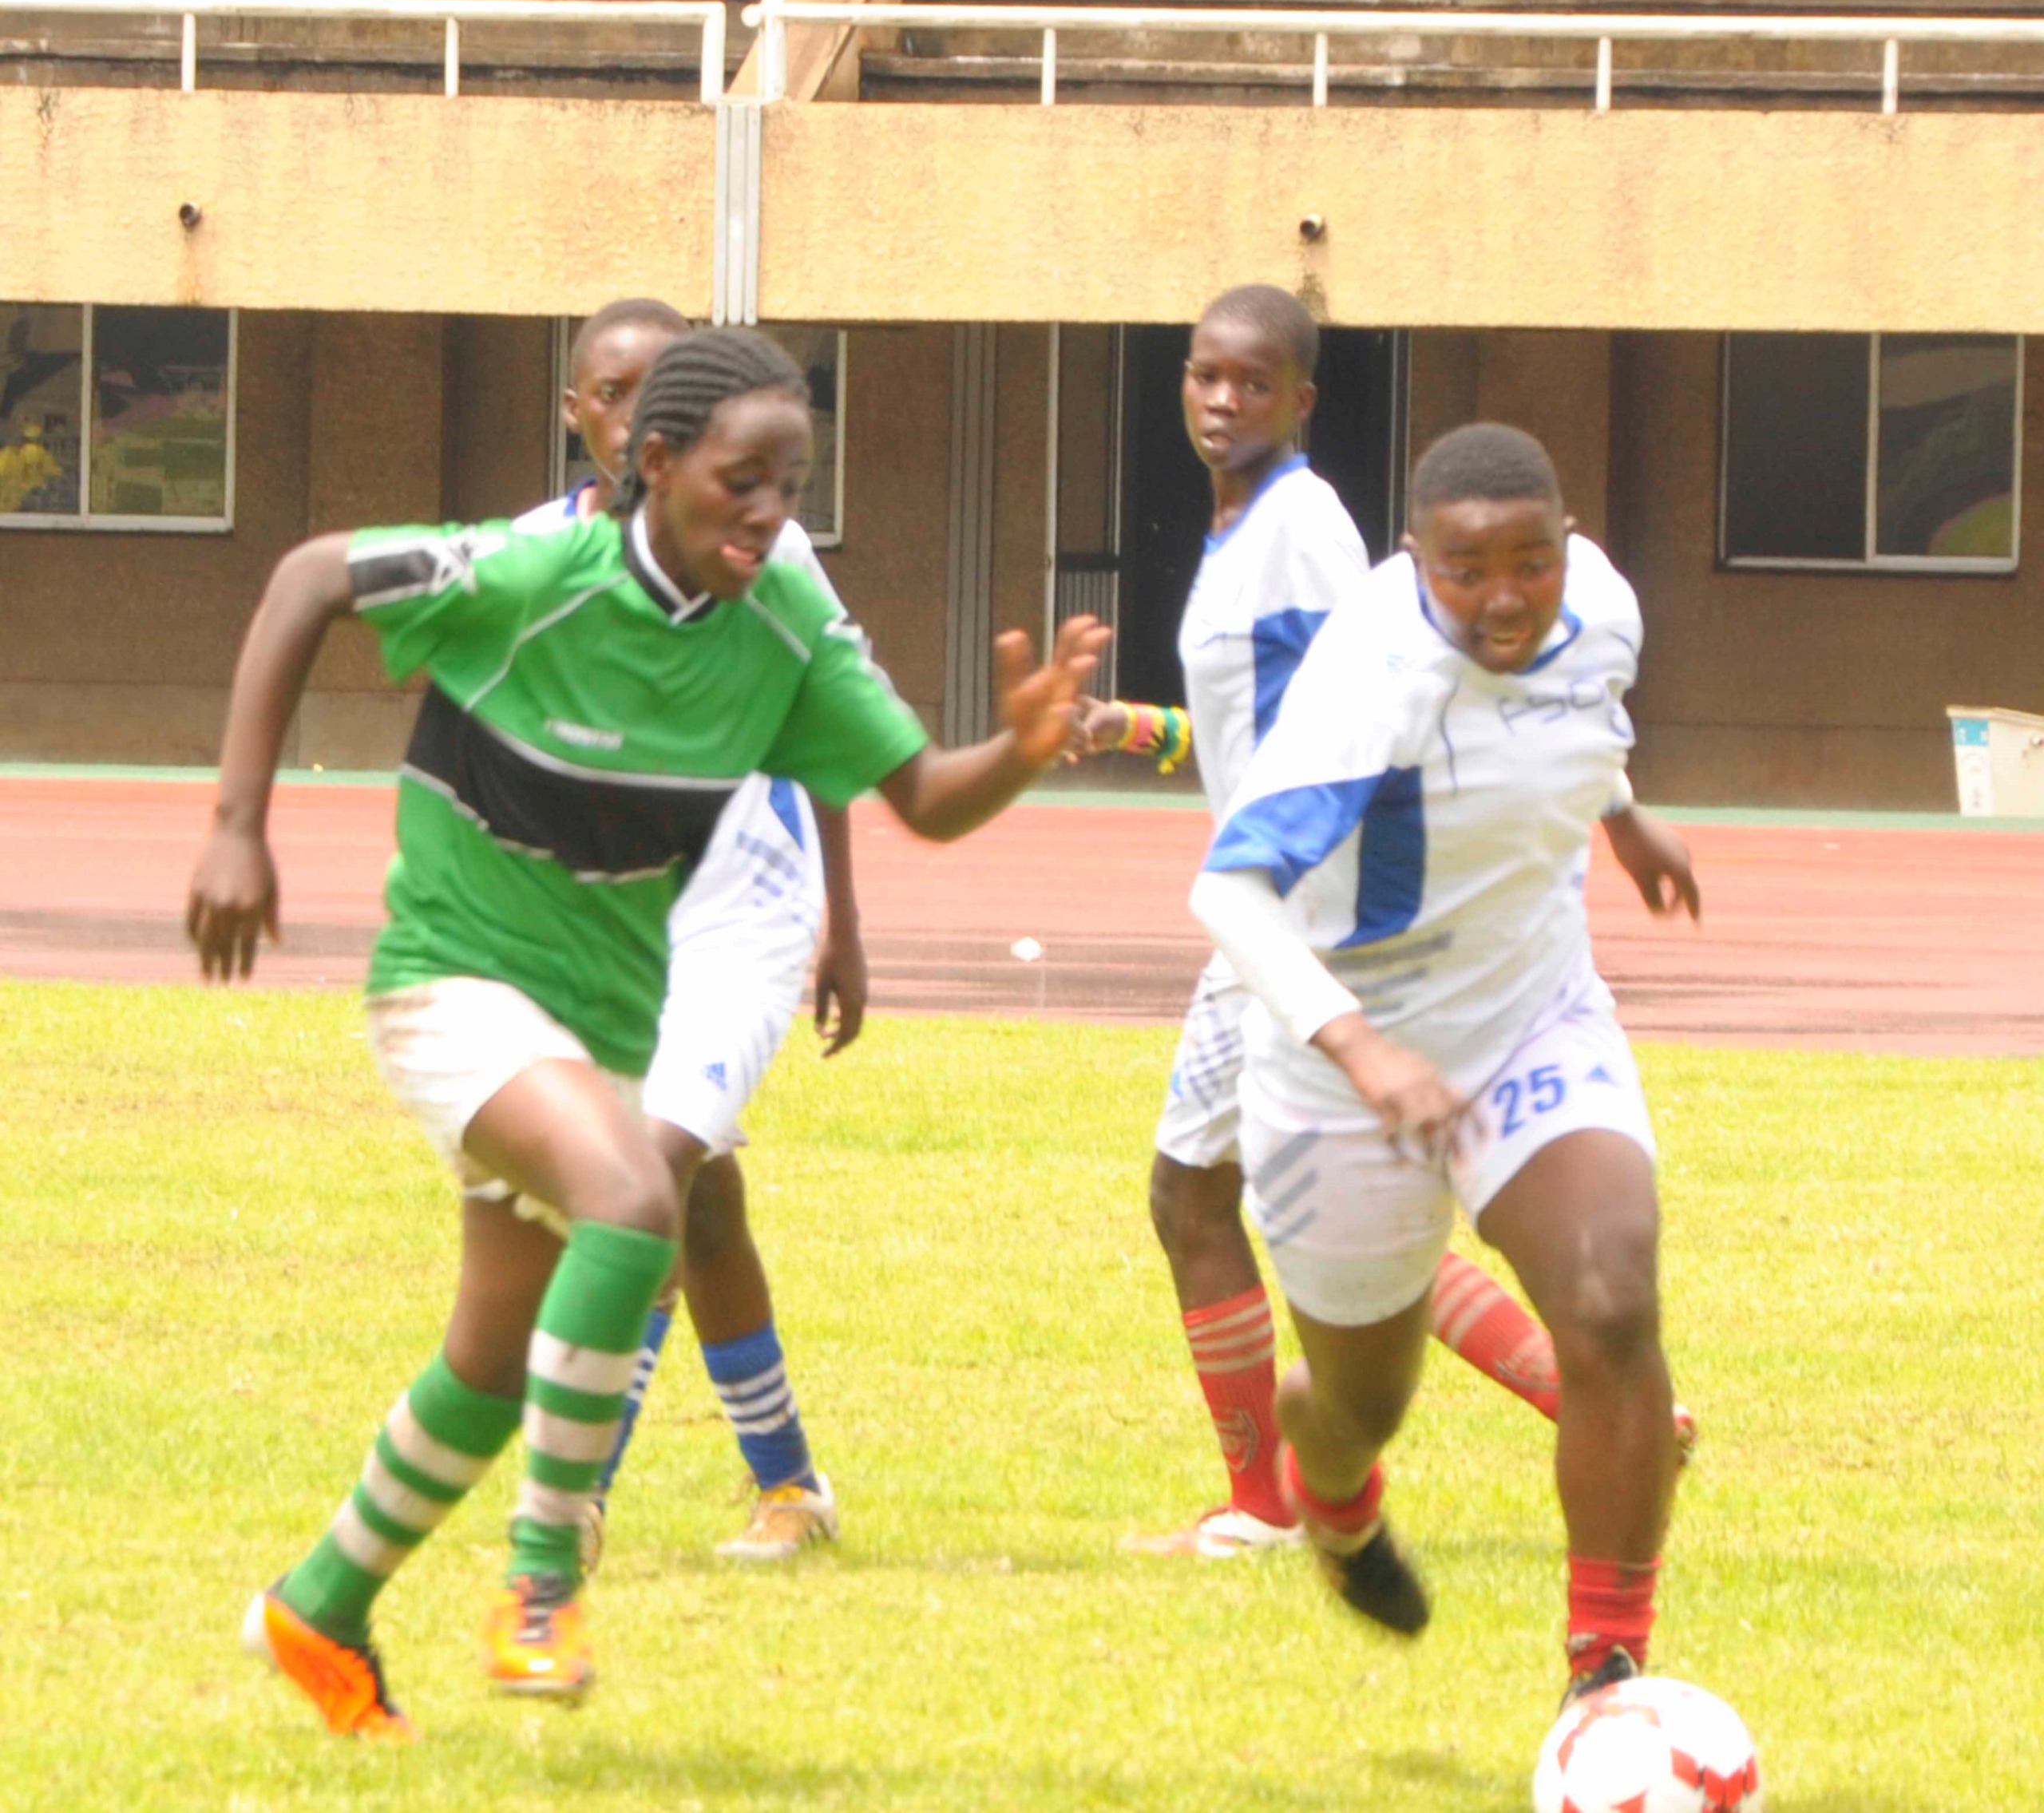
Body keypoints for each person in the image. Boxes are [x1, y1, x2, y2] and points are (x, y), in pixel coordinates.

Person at [188, 327, 1107, 1738]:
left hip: (604, 1023)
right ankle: (543, 1584)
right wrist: (238, 825)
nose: (769, 514)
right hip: (454, 981)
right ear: (651, 462)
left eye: (791, 486)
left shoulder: (783, 633)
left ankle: (319, 1606)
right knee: (637, 1197)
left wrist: (1026, 749)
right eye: (742, 481)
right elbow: (308, 574)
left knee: (491, 1371)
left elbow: (921, 794)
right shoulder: (539, 577)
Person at [1079, 285, 1696, 1560]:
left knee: (1194, 1194)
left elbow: (1393, 708)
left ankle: (1272, 1501)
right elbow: (1282, 730)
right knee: (1298, 1204)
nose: (1220, 400)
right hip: (1289, 886)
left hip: (1313, 911)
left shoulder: (1301, 530)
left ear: (1303, 400)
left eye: (1252, 382)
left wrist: (1611, 800)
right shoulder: (1242, 526)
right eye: (1203, 376)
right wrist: (1134, 732)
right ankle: (1371, 1449)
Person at [1188, 420, 1682, 1703]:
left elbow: (1583, 715)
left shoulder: (1607, 604)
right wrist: (1363, 1052)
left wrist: (1622, 815)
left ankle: (1606, 1677)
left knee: (1613, 1296)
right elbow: (1232, 895)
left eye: (1533, 560)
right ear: (1416, 559)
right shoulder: (1374, 673)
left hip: (1530, 1007)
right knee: (1363, 1397)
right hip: (1340, 1060)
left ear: (1570, 543)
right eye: (1467, 569)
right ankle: (1335, 1491)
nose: (1505, 596)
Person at [521, 298, 858, 1568]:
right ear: (579, 413)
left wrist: (847, 922)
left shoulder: (761, 548)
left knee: (645, 1187)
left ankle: (579, 1490)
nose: (633, 417)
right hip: (606, 937)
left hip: (741, 922)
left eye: (659, 393)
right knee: (702, 1212)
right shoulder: (538, 550)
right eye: (611, 394)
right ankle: (790, 1484)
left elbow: (831, 721)